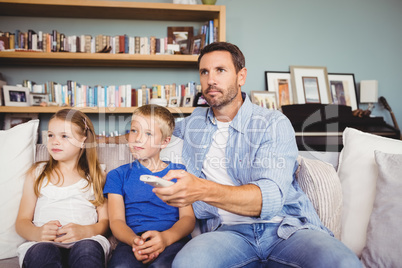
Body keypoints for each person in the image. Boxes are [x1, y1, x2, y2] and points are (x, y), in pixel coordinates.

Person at [153, 42, 362, 267]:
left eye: (220, 70)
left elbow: (268, 199)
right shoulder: (193, 123)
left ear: (241, 76)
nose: (211, 80)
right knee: (187, 264)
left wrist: (201, 189)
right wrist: (112, 141)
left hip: (286, 229)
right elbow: (151, 134)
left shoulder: (273, 123)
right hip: (225, 234)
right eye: (205, 72)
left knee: (343, 263)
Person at [15, 108, 110, 268]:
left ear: (83, 141)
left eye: (64, 136)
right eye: (51, 135)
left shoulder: (97, 175)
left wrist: (86, 231)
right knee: (43, 252)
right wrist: (37, 233)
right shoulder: (37, 173)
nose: (54, 141)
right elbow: (21, 221)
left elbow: (105, 221)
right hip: (43, 244)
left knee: (87, 250)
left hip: (86, 241)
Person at [104, 104, 195, 267]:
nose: (138, 138)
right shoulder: (117, 175)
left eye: (148, 133)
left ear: (165, 141)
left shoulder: (179, 172)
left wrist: (166, 238)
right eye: (134, 130)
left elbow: (187, 218)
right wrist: (136, 242)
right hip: (132, 241)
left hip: (171, 240)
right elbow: (116, 221)